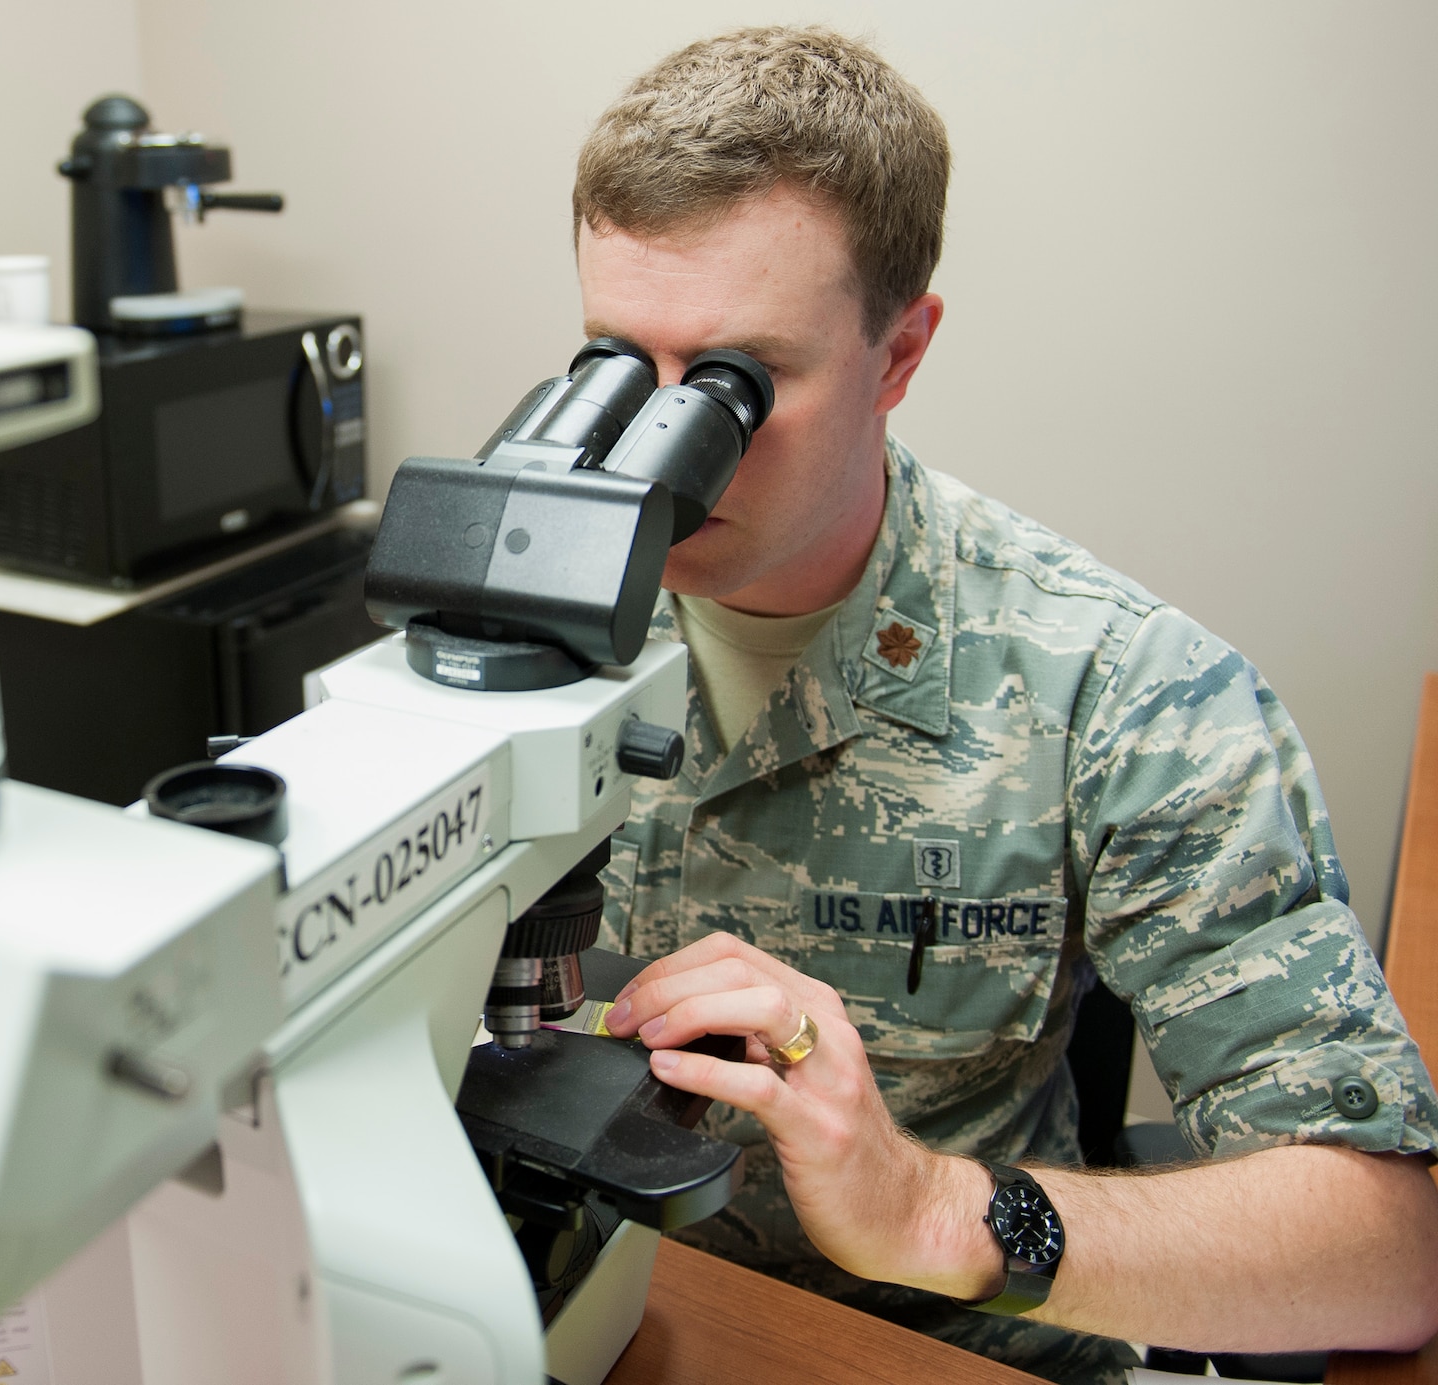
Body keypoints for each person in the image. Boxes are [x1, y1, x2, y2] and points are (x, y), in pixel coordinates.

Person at [576, 26, 1438, 1384]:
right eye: (619, 364)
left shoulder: (1123, 692)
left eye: (744, 380)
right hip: (584, 1321)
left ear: (901, 353)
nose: (663, 450)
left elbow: (1389, 1246)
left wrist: (933, 1204)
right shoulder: (506, 628)